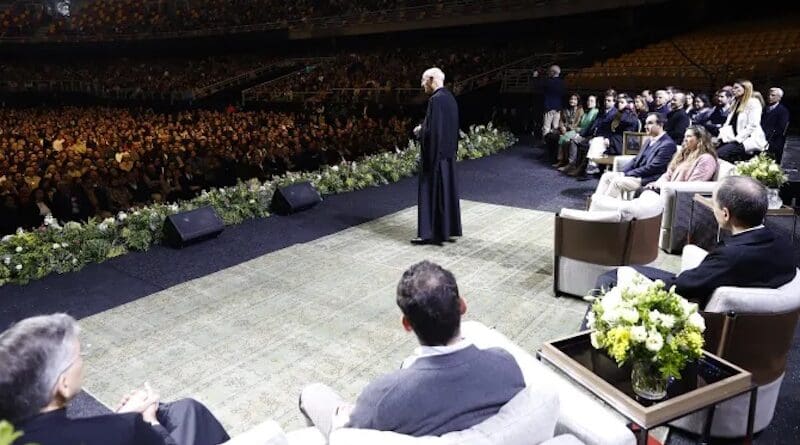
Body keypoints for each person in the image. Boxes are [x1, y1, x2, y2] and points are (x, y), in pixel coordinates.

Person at [298, 261, 525, 438]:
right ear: (463, 306)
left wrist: (342, 417)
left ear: (406, 324)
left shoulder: (385, 396)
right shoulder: (506, 365)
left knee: (312, 393)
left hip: (366, 418)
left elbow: (349, 436)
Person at [0, 314, 230, 445]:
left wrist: (123, 418)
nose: (82, 361)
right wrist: (145, 420)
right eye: (79, 356)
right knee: (189, 413)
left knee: (184, 409)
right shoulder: (118, 431)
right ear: (63, 384)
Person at [595, 176, 796, 307]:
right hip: (740, 316)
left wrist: (628, 276)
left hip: (694, 308)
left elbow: (681, 287)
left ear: (725, 214)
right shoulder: (785, 244)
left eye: (714, 203)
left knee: (611, 278)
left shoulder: (731, 256)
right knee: (632, 269)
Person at [411, 67, 462, 245]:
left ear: (432, 79)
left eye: (424, 81)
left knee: (429, 191)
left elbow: (433, 132)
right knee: (445, 193)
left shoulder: (436, 100)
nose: (422, 85)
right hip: (448, 155)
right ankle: (446, 230)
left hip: (436, 157)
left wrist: (420, 131)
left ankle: (428, 233)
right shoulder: (449, 98)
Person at [593, 112, 676, 198]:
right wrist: (622, 172)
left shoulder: (667, 144)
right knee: (607, 176)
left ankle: (605, 208)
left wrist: (628, 174)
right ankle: (596, 203)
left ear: (660, 125)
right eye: (646, 123)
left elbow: (653, 167)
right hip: (636, 175)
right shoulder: (648, 140)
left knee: (617, 182)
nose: (645, 127)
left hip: (647, 179)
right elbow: (636, 160)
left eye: (650, 123)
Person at [645, 125, 718, 189]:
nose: (685, 139)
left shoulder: (706, 159)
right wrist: (657, 184)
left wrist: (664, 187)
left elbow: (693, 186)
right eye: (685, 136)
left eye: (689, 136)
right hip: (667, 190)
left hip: (678, 195)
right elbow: (668, 175)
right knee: (642, 190)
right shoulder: (684, 154)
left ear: (700, 140)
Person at [717, 79, 768, 162]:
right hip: (733, 137)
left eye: (737, 88)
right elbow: (729, 123)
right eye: (733, 88)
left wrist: (737, 140)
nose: (733, 90)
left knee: (721, 154)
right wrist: (720, 137)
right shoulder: (736, 103)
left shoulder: (753, 102)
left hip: (747, 139)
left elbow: (753, 125)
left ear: (746, 89)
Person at [533, 64, 565, 141]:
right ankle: (556, 144)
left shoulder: (548, 82)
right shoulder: (562, 82)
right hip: (558, 108)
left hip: (549, 107)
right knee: (555, 127)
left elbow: (537, 86)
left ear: (553, 72)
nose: (548, 73)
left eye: (549, 71)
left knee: (546, 128)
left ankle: (546, 144)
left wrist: (535, 76)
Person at [761, 87, 790, 164]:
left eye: (773, 95)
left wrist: (768, 137)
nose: (770, 97)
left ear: (779, 98)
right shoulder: (764, 109)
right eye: (769, 95)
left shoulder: (783, 111)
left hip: (774, 142)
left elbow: (780, 129)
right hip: (761, 139)